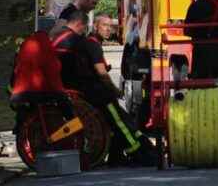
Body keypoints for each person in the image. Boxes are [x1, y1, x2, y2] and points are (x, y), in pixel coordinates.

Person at [51, 10, 155, 166]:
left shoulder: (85, 42)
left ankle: (118, 155)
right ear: (94, 26)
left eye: (110, 26)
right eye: (104, 25)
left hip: (82, 88)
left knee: (120, 118)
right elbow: (102, 73)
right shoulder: (92, 45)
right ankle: (139, 153)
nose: (108, 29)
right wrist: (114, 90)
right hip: (93, 91)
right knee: (119, 120)